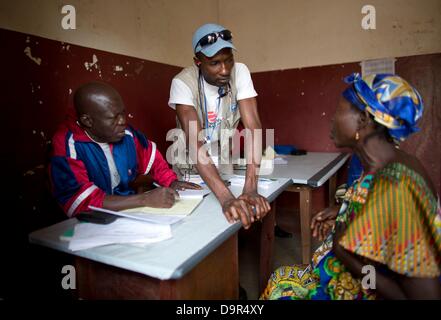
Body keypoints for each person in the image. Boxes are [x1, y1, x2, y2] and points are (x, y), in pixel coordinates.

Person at [261, 73, 441, 300]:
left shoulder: (397, 187)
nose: (332, 118)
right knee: (279, 277)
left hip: (361, 286)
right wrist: (345, 211)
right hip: (356, 274)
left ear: (364, 119)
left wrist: (345, 253)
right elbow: (381, 211)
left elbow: (425, 296)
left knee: (279, 290)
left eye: (339, 110)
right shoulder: (391, 162)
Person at [168, 23, 270, 229]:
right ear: (198, 62)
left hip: (223, 160)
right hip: (191, 167)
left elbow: (254, 129)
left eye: (228, 60)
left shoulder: (240, 72)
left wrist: (251, 187)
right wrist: (225, 198)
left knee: (230, 223)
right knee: (198, 226)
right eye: (215, 63)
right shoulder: (182, 83)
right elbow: (195, 144)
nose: (225, 70)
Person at [49, 81, 200, 218]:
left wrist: (171, 181)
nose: (123, 121)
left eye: (122, 113)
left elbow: (153, 161)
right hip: (87, 224)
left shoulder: (127, 134)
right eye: (113, 118)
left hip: (127, 214)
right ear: (87, 120)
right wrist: (144, 199)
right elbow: (81, 202)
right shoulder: (68, 146)